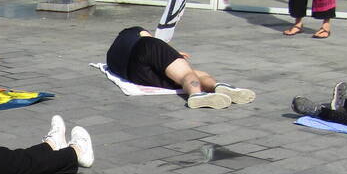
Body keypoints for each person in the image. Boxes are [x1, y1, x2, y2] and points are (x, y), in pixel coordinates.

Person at [105, 27, 256, 110]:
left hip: (133, 74)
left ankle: (214, 89)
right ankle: (203, 91)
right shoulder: (135, 31)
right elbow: (152, 40)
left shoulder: (112, 54)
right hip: (145, 49)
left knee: (178, 78)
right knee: (187, 74)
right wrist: (173, 52)